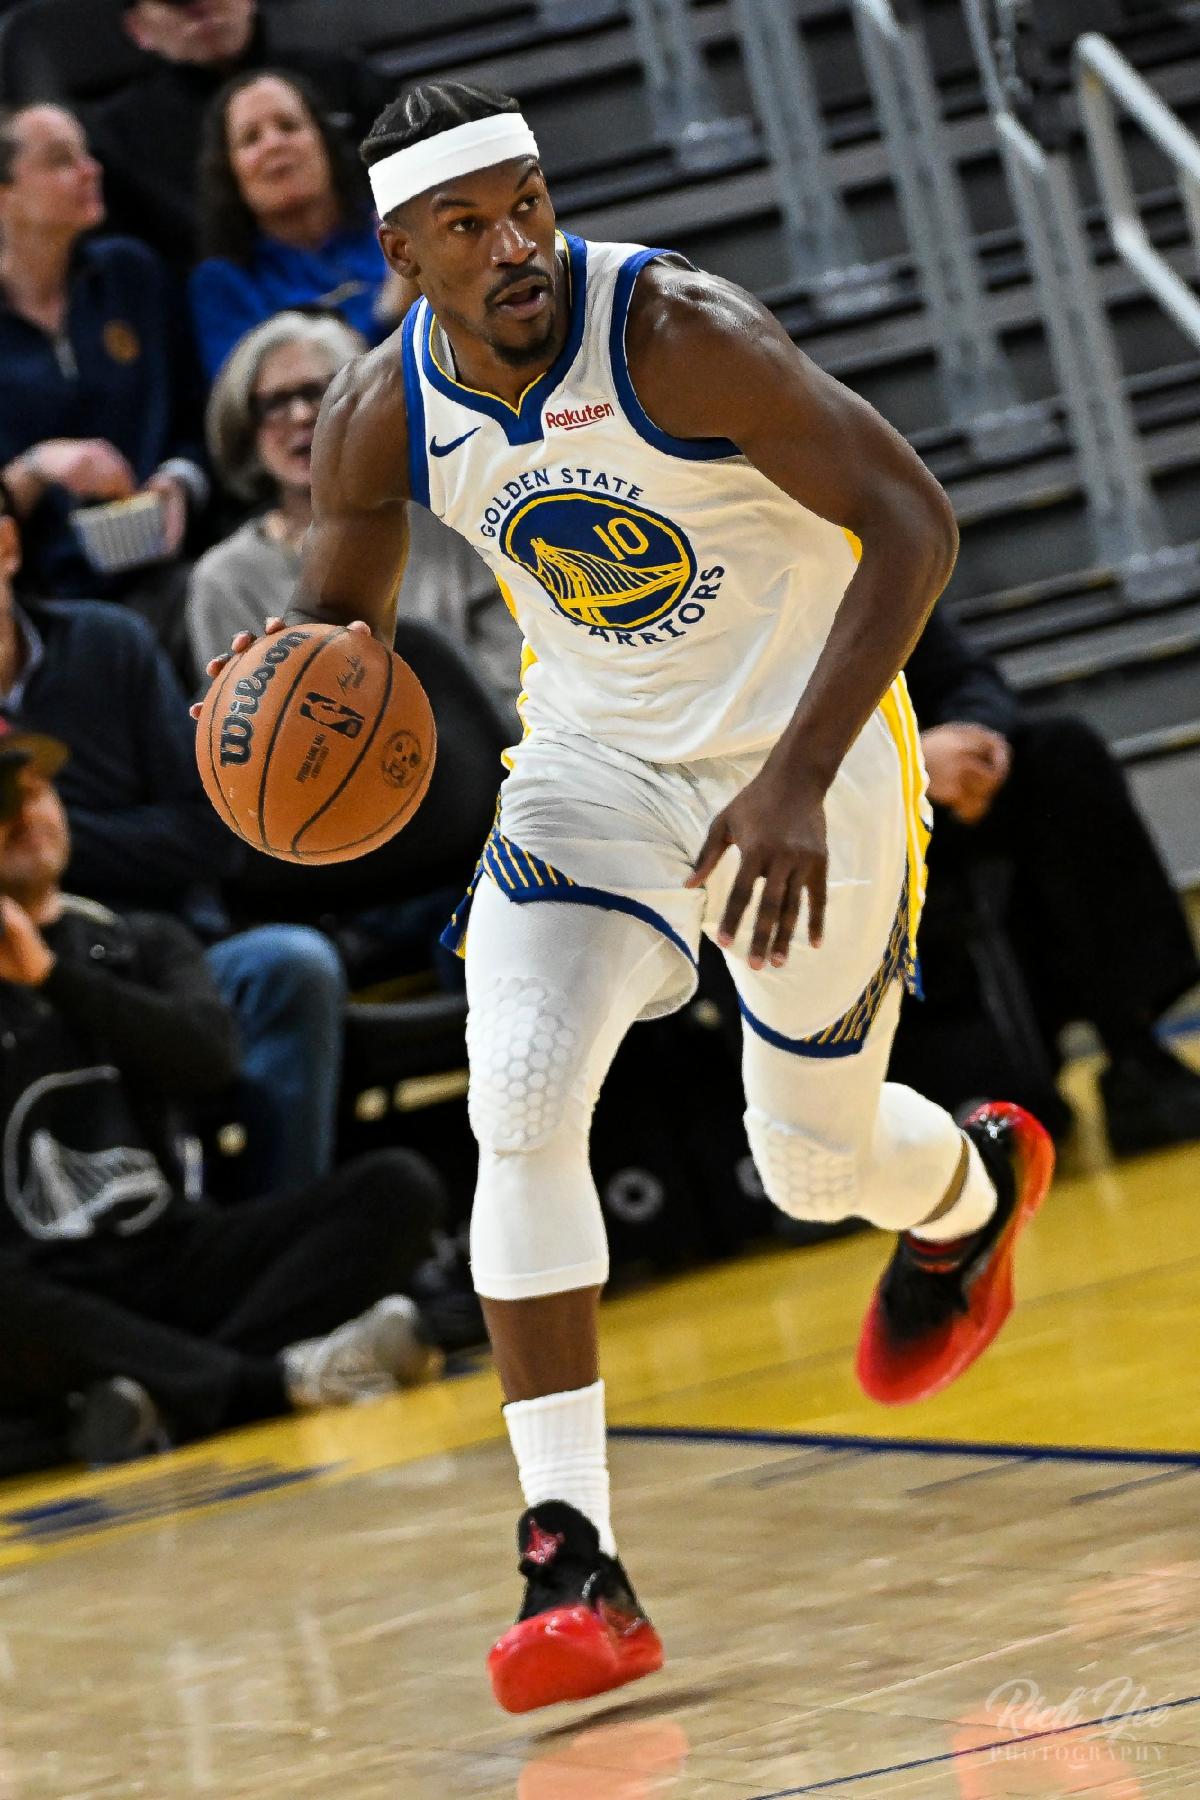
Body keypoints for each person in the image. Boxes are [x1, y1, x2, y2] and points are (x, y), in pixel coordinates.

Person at [202, 80, 1054, 1714]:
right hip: (595, 764)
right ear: (402, 256)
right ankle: (570, 1556)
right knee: (518, 1093)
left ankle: (975, 1187)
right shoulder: (381, 414)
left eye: (529, 202)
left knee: (810, 1165)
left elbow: (912, 521)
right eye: (469, 225)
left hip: (807, 750)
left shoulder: (677, 334)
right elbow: (339, 647)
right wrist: (281, 690)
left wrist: (796, 774)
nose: (517, 243)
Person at [0, 719, 444, 1469]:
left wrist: (53, 976)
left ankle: (155, 1394)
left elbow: (210, 1063)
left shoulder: (140, 941)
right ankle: (263, 1383)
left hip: (172, 1251)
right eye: (1, 801)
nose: (25, 814)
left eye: (37, 790)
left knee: (397, 1189)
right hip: (42, 1286)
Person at [0, 491, 347, 1197]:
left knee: (291, 966)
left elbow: (210, 835)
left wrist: (45, 839)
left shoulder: (109, 644)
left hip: (160, 951)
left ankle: (277, 1228)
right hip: (12, 974)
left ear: (7, 547)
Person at [895, 605, 1200, 1156]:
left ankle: (1131, 1045)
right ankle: (995, 1076)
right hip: (829, 817)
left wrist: (971, 740)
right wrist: (907, 766)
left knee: (1063, 753)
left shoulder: (859, 567)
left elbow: (968, 675)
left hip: (938, 796)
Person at [191, 308, 517, 700]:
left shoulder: (452, 520)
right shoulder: (226, 579)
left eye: (319, 392)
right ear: (247, 427)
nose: (301, 415)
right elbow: (241, 722)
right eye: (275, 403)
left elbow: (514, 688)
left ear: (369, 406)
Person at [0, 104, 206, 613]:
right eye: (60, 160)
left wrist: (180, 479)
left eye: (87, 154)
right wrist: (36, 468)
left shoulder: (132, 273)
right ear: (5, 194)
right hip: (39, 599)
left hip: (171, 567)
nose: (91, 170)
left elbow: (198, 412)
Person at [84, 0, 384, 270]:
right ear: (138, 28)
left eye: (288, 126)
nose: (199, 8)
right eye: (175, 2)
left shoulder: (347, 80)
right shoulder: (115, 140)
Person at [190, 72, 409, 380]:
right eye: (251, 138)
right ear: (228, 171)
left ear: (325, 141)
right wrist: (388, 316)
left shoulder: (394, 225)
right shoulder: (223, 285)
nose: (274, 144)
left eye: (288, 126)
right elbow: (258, 399)